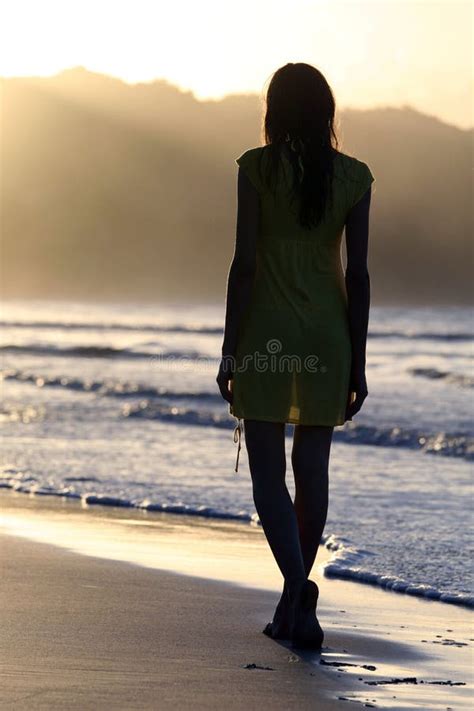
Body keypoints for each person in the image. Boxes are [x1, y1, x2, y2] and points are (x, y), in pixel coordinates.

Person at [216, 62, 375, 649]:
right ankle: (293, 600)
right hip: (327, 338)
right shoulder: (354, 176)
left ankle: (294, 589)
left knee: (268, 476)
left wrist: (230, 351)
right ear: (326, 111)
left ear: (274, 111)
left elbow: (245, 265)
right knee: (313, 471)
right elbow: (357, 275)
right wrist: (357, 361)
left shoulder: (256, 169)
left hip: (267, 336)